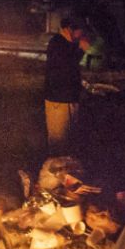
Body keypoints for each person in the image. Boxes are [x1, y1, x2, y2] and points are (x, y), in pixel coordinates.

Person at [44, 18, 90, 154]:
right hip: (58, 99)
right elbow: (65, 68)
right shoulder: (57, 43)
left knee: (69, 137)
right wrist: (81, 50)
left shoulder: (69, 44)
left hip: (70, 98)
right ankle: (54, 170)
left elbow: (72, 67)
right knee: (58, 140)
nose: (82, 35)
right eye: (81, 31)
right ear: (70, 29)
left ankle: (68, 168)